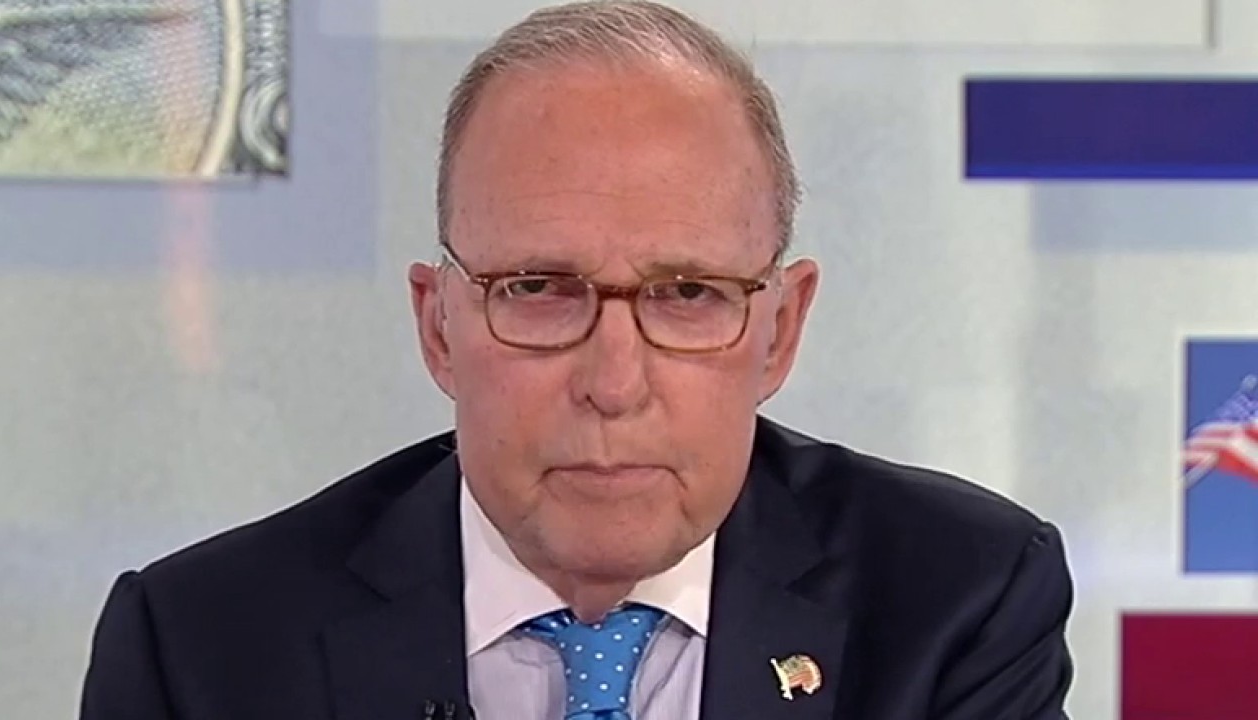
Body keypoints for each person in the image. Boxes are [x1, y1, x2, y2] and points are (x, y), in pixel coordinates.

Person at [79, 1, 1075, 718]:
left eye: (688, 295)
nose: (613, 383)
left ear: (777, 330)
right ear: (439, 326)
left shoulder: (956, 602)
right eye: (538, 290)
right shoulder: (202, 651)